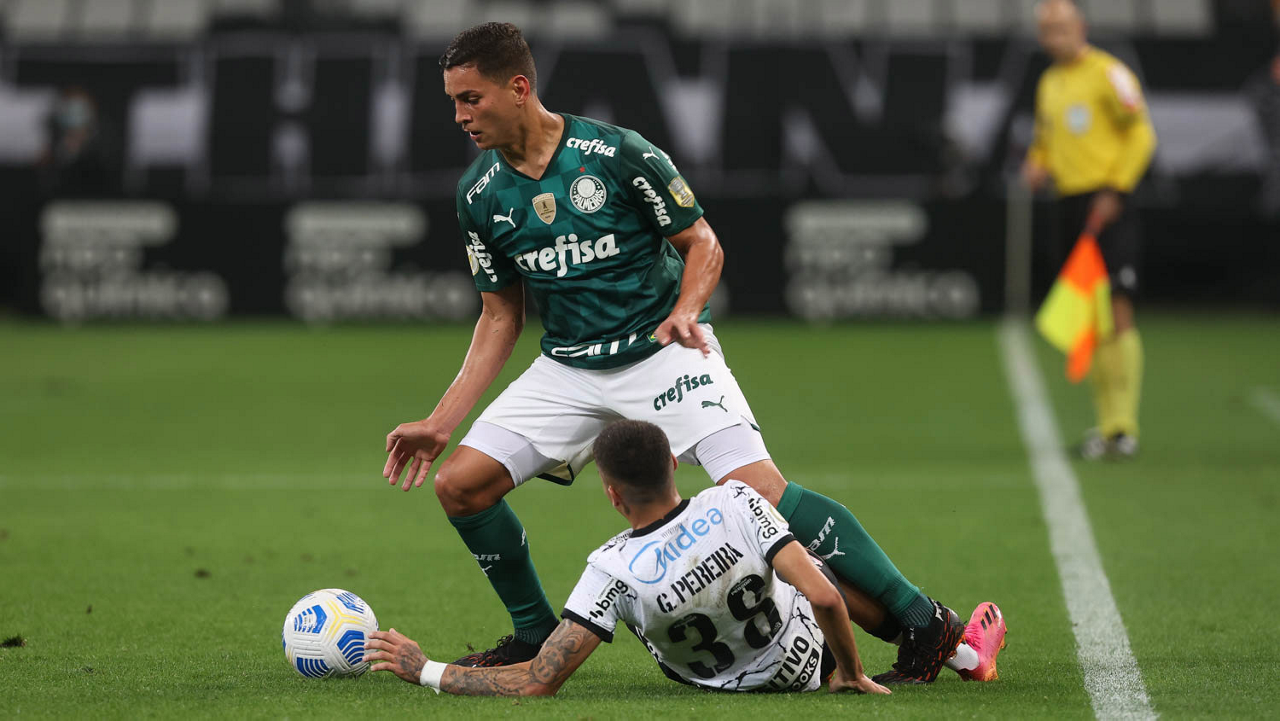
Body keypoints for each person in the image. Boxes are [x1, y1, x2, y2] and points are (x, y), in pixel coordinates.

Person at [383, 21, 971, 684]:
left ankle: (924, 621)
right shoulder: (479, 194)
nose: (460, 116)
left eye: (471, 99)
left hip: (661, 347)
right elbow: (500, 314)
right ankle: (532, 633)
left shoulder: (616, 153)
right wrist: (441, 421)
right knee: (460, 485)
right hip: (570, 367)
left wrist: (687, 309)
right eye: (453, 102)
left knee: (760, 493)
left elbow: (702, 242)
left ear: (518, 88)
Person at [365, 421, 1004, 695]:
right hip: (810, 664)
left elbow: (537, 680)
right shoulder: (734, 499)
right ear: (674, 463)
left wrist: (426, 669)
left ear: (612, 494)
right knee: (804, 554)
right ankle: (954, 644)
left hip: (728, 685)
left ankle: (957, 647)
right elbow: (825, 596)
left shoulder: (607, 569)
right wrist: (849, 673)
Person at [1021, 0, 1157, 460]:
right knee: (1091, 315)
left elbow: (1141, 134)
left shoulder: (1109, 73)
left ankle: (1124, 426)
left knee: (1117, 306)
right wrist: (1036, 164)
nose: (1053, 36)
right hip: (1068, 202)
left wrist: (1116, 189)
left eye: (1060, 27)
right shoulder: (1049, 82)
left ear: (1081, 26)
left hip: (1107, 199)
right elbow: (1044, 140)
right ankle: (1107, 425)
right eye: (1046, 29)